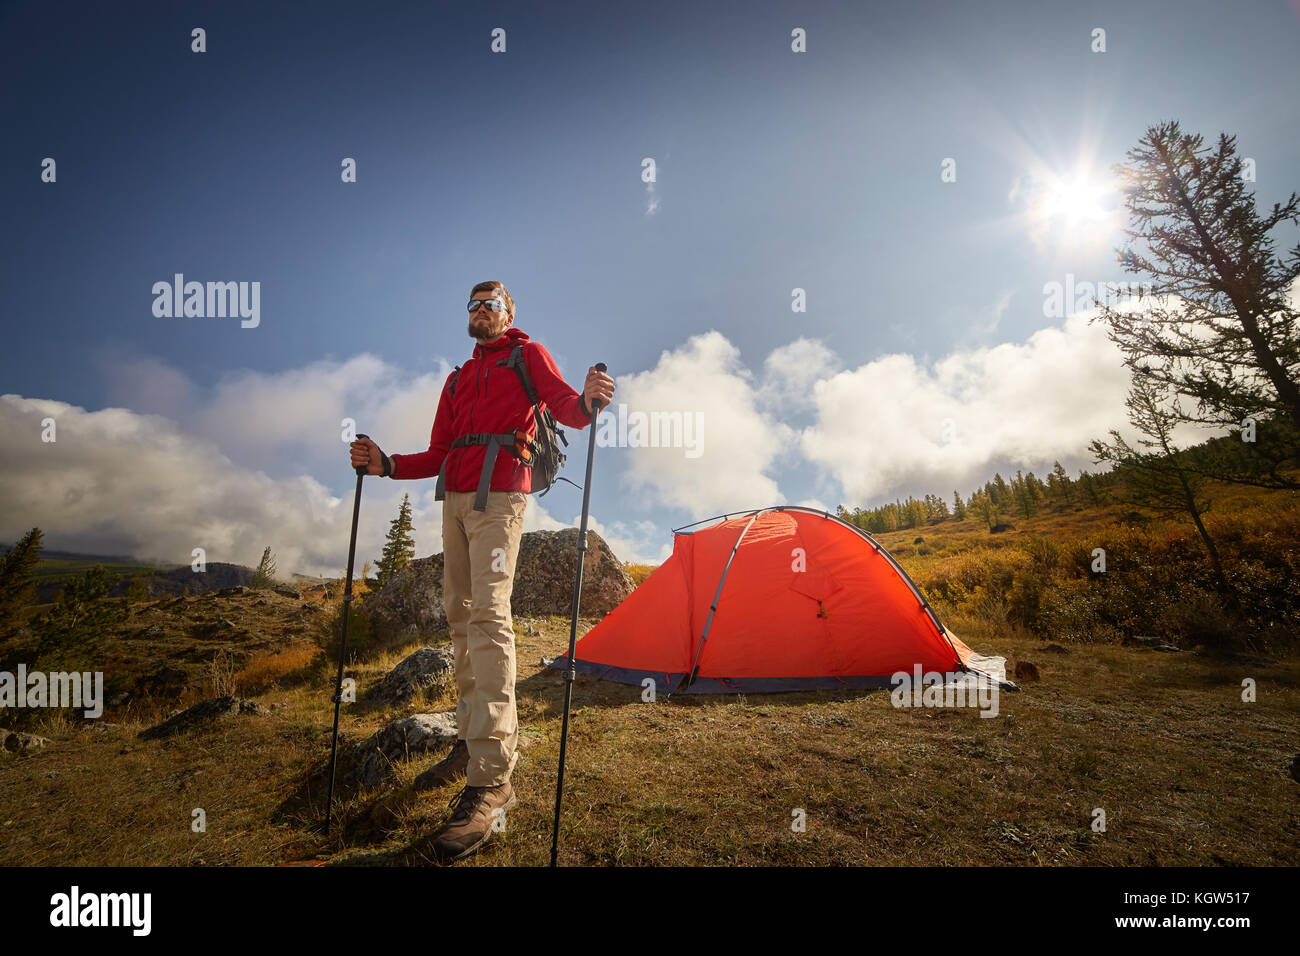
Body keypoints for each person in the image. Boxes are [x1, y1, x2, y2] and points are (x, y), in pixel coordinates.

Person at [349, 281, 614, 863]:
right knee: (460, 618)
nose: (479, 312)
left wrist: (592, 400)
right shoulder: (456, 379)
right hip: (456, 500)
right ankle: (477, 743)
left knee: (490, 615)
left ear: (509, 312)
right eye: (472, 305)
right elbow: (437, 452)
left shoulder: (528, 354)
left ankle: (493, 778)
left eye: (489, 304)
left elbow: (568, 410)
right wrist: (386, 463)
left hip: (502, 496)